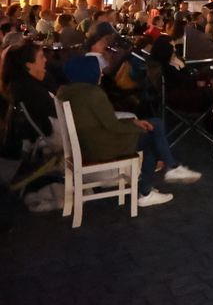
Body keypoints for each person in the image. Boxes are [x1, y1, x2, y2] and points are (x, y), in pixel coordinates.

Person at [56, 55, 201, 207]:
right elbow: (113, 126)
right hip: (102, 147)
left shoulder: (66, 91)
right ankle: (155, 184)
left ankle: (166, 174)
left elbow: (105, 122)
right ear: (88, 72)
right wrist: (136, 126)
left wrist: (134, 122)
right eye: (98, 69)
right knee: (154, 131)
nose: (102, 73)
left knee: (154, 128)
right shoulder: (94, 94)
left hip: (87, 144)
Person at [1, 42, 58, 151]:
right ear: (29, 64)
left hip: (27, 139)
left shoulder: (17, 84)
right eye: (41, 57)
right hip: (41, 138)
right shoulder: (32, 90)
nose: (45, 60)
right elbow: (57, 114)